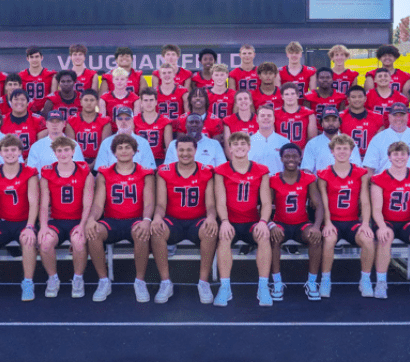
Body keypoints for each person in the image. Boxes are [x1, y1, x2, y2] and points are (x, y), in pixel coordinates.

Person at [86, 133, 156, 302]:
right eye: (120, 148)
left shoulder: (145, 173)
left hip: (135, 220)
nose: (124, 151)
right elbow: (98, 204)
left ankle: (140, 281)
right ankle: (103, 281)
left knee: (141, 232)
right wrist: (91, 219)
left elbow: (149, 202)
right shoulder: (104, 173)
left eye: (127, 147)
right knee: (93, 232)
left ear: (135, 151)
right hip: (112, 221)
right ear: (114, 152)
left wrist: (147, 220)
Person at [151, 135, 218, 304]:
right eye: (181, 150)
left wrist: (211, 217)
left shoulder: (206, 171)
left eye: (189, 149)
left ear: (195, 150)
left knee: (210, 231)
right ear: (176, 151)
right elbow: (160, 204)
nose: (185, 153)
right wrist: (157, 217)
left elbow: (210, 204)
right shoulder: (165, 171)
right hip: (173, 221)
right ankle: (165, 282)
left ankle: (203, 282)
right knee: (157, 231)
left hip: (197, 220)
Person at [213, 131, 273, 306]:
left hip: (252, 222)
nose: (239, 147)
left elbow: (266, 202)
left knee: (264, 236)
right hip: (230, 221)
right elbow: (220, 201)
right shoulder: (221, 170)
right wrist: (224, 221)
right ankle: (225, 287)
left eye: (243, 144)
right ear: (230, 148)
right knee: (224, 237)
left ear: (249, 147)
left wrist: (263, 222)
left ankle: (263, 287)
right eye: (235, 144)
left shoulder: (261, 170)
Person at [0, 136, 40, 301]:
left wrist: (30, 226)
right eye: (6, 150)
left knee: (28, 240)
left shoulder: (30, 172)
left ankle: (28, 282)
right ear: (0, 152)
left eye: (13, 149)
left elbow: (34, 202)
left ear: (20, 152)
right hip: (4, 222)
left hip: (24, 222)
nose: (10, 153)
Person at [369, 142, 410, 300]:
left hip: (406, 221)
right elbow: (376, 209)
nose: (399, 157)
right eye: (395, 154)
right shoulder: (379, 178)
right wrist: (382, 227)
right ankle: (381, 282)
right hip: (386, 220)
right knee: (385, 236)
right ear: (389, 157)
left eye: (403, 154)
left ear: (408, 156)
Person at [316, 135, 374, 299]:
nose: (342, 152)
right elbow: (324, 203)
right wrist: (327, 223)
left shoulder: (360, 173)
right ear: (332, 151)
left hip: (352, 222)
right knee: (329, 239)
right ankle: (326, 279)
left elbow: (365, 201)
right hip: (333, 221)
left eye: (345, 148)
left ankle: (365, 279)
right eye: (338, 148)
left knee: (368, 239)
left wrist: (365, 223)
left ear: (351, 151)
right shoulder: (324, 174)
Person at [38, 136, 95, 299]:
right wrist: (43, 226)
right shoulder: (48, 172)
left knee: (78, 241)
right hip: (57, 220)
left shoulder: (84, 171)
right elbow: (44, 204)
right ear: (55, 153)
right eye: (59, 151)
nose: (63, 154)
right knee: (45, 242)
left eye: (66, 150)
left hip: (78, 220)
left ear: (73, 151)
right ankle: (53, 278)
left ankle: (78, 279)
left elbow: (88, 204)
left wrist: (82, 225)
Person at [268, 144, 323, 301]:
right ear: (281, 159)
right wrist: (271, 225)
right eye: (287, 156)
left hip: (301, 223)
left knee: (315, 237)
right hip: (280, 222)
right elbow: (264, 206)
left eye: (294, 156)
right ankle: (277, 282)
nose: (291, 159)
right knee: (274, 237)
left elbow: (319, 205)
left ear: (300, 159)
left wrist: (316, 226)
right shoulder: (273, 180)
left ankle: (312, 283)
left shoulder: (308, 179)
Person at [363, 103, 410, 174]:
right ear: (389, 117)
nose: (398, 118)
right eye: (395, 115)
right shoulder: (378, 138)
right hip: (386, 180)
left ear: (407, 116)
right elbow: (369, 168)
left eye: (402, 115)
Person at [301, 107, 362, 175]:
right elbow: (307, 171)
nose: (331, 123)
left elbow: (357, 169)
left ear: (339, 123)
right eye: (327, 120)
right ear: (322, 123)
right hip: (319, 181)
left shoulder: (350, 143)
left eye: (334, 120)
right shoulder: (312, 144)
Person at [67, 90, 112, 164]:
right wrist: (81, 165)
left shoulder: (105, 121)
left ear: (97, 102)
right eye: (86, 100)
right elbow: (70, 147)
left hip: (99, 160)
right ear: (81, 102)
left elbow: (104, 148)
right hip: (76, 160)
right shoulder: (72, 120)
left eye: (92, 100)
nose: (89, 103)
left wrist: (93, 165)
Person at [0, 89, 46, 158]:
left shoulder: (38, 120)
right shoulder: (2, 120)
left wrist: (31, 159)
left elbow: (41, 147)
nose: (19, 102)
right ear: (10, 102)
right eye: (16, 99)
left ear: (28, 103)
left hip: (31, 160)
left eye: (22, 99)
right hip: (7, 160)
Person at [339, 85, 383, 157]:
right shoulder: (340, 117)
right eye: (353, 97)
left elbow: (380, 142)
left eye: (360, 97)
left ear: (365, 98)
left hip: (370, 157)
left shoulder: (377, 117)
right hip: (347, 157)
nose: (357, 99)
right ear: (348, 99)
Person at [248, 104, 291, 175]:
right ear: (257, 119)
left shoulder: (285, 142)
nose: (266, 118)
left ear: (274, 119)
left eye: (269, 115)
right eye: (262, 116)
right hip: (255, 181)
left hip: (278, 181)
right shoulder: (248, 142)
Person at [274, 82, 317, 151]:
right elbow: (271, 138)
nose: (290, 97)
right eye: (286, 94)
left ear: (297, 95)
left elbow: (312, 139)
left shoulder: (308, 114)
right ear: (282, 96)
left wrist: (304, 152)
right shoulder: (275, 113)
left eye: (293, 94)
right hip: (280, 152)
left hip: (302, 152)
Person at [133, 89, 172, 163]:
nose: (149, 103)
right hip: (139, 160)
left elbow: (169, 148)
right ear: (141, 103)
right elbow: (130, 144)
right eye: (145, 100)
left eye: (151, 100)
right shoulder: (134, 120)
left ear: (156, 102)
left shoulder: (165, 121)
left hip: (158, 160)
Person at [20, 46, 56, 113]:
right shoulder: (21, 75)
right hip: (27, 111)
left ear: (41, 57)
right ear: (27, 59)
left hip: (45, 111)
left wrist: (46, 108)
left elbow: (53, 96)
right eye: (31, 57)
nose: (34, 60)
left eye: (37, 57)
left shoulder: (50, 75)